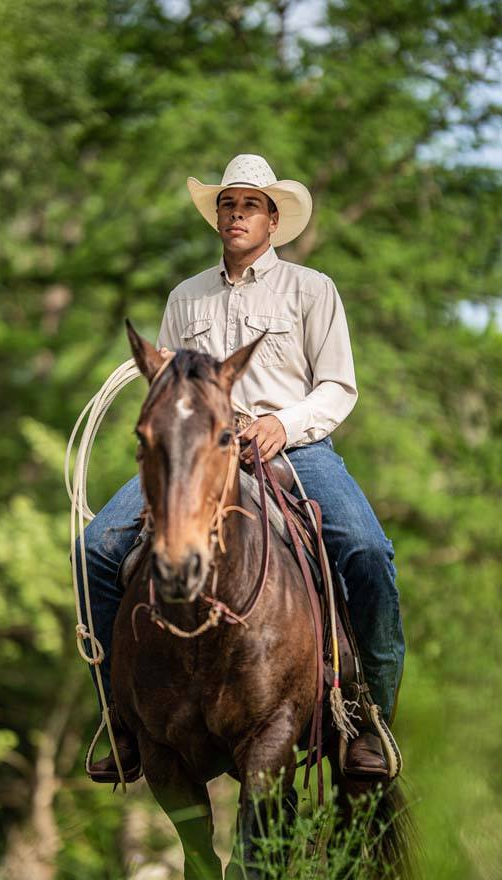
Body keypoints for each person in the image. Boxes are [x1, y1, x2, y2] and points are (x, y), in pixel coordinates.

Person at [76, 154, 405, 782]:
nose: (236, 214)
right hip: (201, 453)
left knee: (366, 551)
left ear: (273, 220)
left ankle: (371, 716)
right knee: (95, 548)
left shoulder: (313, 290)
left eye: (250, 204)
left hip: (295, 447)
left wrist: (284, 424)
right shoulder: (185, 296)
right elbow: (167, 389)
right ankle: (121, 715)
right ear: (217, 217)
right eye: (228, 204)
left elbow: (338, 386)